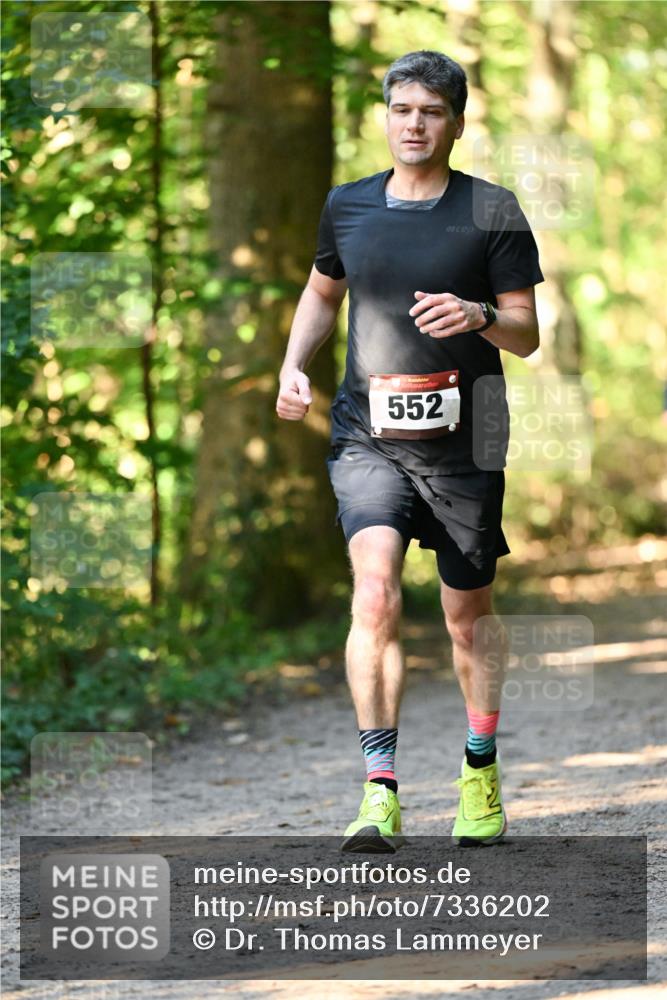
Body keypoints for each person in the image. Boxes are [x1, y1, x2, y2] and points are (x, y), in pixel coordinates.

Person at [276, 50, 544, 851]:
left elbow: (526, 334)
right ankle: (379, 790)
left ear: (456, 123)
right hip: (369, 436)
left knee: (466, 617)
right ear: (385, 117)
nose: (414, 124)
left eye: (430, 111)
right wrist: (293, 365)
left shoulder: (490, 209)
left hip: (467, 440)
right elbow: (322, 291)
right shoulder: (348, 205)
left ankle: (478, 768)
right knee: (373, 595)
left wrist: (478, 315)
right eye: (401, 110)